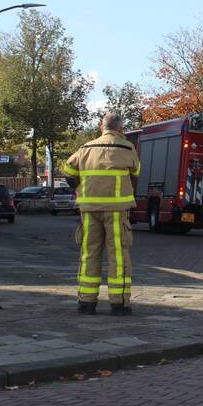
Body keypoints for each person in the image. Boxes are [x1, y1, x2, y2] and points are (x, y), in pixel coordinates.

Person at [62, 112, 140, 315]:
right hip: (117, 210)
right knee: (118, 255)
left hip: (89, 210)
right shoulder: (127, 147)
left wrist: (79, 188)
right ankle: (119, 304)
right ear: (121, 129)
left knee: (89, 254)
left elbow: (68, 169)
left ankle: (86, 302)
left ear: (101, 128)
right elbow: (136, 171)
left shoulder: (85, 148)